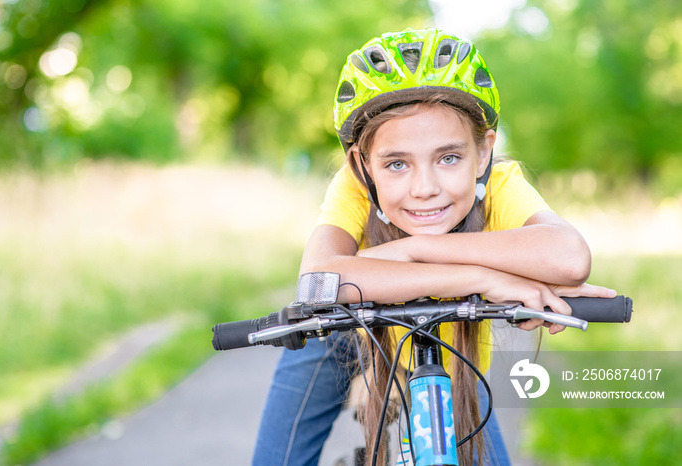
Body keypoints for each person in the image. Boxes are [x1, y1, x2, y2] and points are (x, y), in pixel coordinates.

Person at [252, 27, 616, 466]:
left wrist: (412, 250)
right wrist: (484, 277)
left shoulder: (498, 185)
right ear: (362, 166)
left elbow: (569, 257)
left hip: (452, 348)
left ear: (483, 153)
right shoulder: (354, 188)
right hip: (345, 328)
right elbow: (319, 283)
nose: (425, 188)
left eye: (448, 158)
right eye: (397, 164)